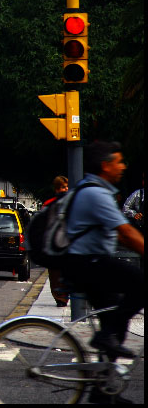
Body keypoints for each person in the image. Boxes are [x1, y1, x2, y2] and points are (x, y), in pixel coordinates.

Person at [63, 141, 144, 366]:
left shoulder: (92, 190)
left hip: (87, 263)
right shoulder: (96, 194)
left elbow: (115, 235)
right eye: (119, 162)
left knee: (116, 322)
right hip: (89, 264)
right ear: (105, 165)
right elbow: (126, 232)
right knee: (140, 285)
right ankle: (104, 337)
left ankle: (104, 387)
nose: (124, 167)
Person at [44, 176, 70, 307]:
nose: (65, 190)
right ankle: (60, 298)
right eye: (62, 187)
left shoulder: (73, 203)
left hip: (68, 244)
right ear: (56, 189)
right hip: (53, 245)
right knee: (55, 274)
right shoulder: (49, 204)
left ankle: (65, 295)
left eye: (66, 187)